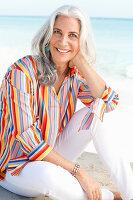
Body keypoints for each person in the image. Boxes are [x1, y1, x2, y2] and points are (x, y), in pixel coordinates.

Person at [0, 5, 133, 200]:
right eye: (57, 32)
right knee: (48, 176)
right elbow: (27, 140)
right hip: (16, 166)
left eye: (73, 35)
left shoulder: (74, 76)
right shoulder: (22, 72)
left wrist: (81, 62)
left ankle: (130, 192)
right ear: (48, 36)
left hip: (51, 154)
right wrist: (78, 171)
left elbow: (109, 101)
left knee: (95, 113)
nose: (63, 41)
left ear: (81, 41)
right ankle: (110, 196)